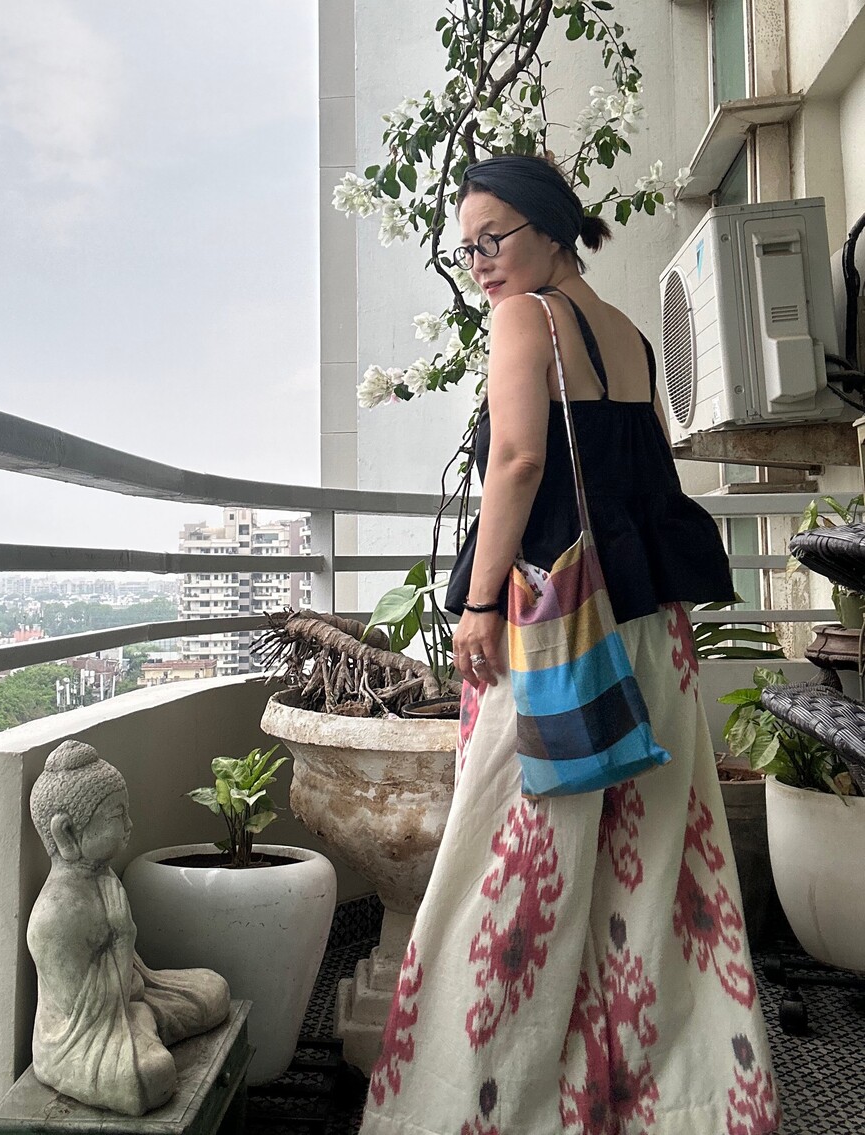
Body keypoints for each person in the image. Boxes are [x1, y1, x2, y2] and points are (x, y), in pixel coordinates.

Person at [358, 155, 781, 1135]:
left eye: (493, 238)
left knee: (509, 868)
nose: (479, 263)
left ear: (549, 226)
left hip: (552, 628)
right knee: (651, 866)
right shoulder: (630, 335)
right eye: (466, 249)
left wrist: (476, 604)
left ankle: (476, 1104)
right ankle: (659, 1097)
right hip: (648, 626)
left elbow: (517, 460)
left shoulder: (525, 320)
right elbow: (646, 475)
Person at [27, 740, 231, 1116]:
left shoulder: (101, 877)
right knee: (150, 1076)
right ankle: (145, 1028)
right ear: (66, 833)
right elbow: (83, 1016)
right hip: (80, 1040)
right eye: (117, 816)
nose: (129, 826)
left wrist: (137, 982)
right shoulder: (54, 917)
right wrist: (123, 939)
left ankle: (145, 1024)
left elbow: (137, 984)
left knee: (214, 989)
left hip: (130, 1002)